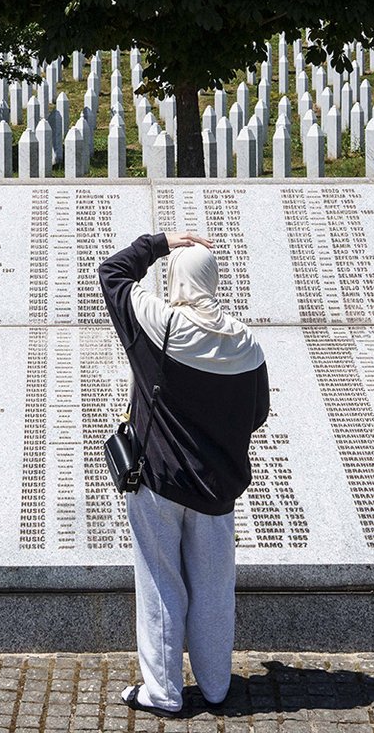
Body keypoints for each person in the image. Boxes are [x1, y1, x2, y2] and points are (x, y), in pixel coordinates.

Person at [97, 229, 269, 716]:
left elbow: (112, 273)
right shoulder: (248, 345)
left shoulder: (159, 324)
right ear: (212, 281)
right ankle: (216, 686)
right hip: (217, 490)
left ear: (174, 280)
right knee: (215, 590)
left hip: (158, 481)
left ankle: (163, 692)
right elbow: (257, 413)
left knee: (160, 584)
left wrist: (161, 242)